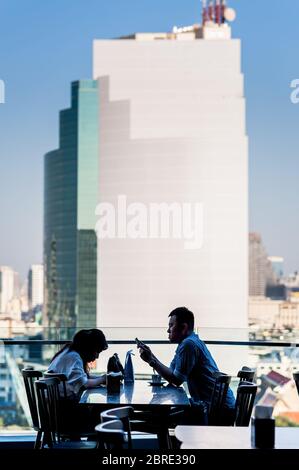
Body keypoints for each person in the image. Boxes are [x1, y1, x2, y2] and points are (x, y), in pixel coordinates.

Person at [138, 307, 236, 425]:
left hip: (217, 411)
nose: (168, 330)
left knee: (159, 419)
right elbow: (171, 373)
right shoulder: (185, 344)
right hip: (217, 406)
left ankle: (171, 442)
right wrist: (151, 357)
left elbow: (176, 380)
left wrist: (151, 361)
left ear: (184, 327)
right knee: (162, 416)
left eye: (171, 325)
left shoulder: (188, 345)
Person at [48, 328, 108, 401]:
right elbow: (84, 384)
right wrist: (102, 379)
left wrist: (101, 378)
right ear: (89, 348)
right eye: (97, 351)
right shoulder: (74, 357)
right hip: (61, 404)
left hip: (54, 402)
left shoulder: (68, 352)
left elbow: (83, 377)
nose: (97, 357)